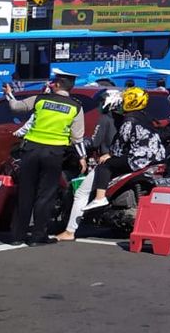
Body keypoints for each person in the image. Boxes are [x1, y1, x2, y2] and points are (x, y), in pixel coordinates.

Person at [4, 70, 87, 245]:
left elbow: (16, 107)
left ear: (56, 84)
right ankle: (37, 237)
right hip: (54, 154)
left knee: (25, 193)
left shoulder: (40, 99)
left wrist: (9, 94)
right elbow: (77, 137)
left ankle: (18, 237)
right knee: (46, 195)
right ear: (70, 87)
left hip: (31, 150)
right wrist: (82, 158)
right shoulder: (76, 107)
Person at [83, 87, 166, 211]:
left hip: (139, 159)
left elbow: (120, 142)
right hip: (158, 157)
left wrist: (110, 155)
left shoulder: (129, 120)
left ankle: (99, 198)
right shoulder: (146, 117)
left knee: (104, 165)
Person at [57, 89, 123, 242]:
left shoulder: (105, 119)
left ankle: (70, 231)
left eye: (100, 102)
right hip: (122, 160)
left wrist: (80, 144)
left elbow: (94, 142)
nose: (99, 106)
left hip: (106, 163)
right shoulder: (123, 119)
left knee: (81, 193)